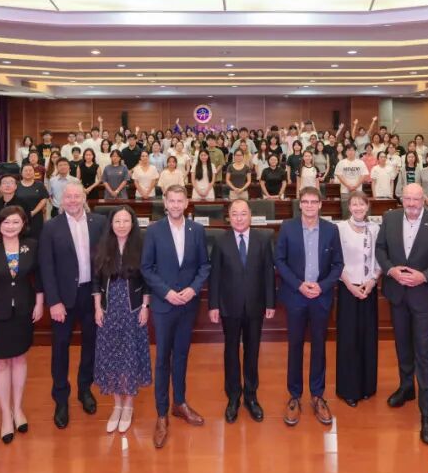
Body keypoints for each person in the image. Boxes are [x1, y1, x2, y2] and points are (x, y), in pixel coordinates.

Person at [375, 183, 428, 445]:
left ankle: (427, 411)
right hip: (397, 294)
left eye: (416, 199)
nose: (411, 204)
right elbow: (380, 249)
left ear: (424, 200)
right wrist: (390, 270)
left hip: (424, 296)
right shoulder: (389, 218)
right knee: (402, 345)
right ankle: (406, 387)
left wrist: (424, 276)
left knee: (424, 352)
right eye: (407, 199)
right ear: (402, 199)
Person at [141, 185, 211, 449]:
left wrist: (193, 289)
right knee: (162, 359)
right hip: (164, 304)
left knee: (181, 355)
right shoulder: (154, 231)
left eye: (180, 200)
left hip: (188, 305)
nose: (175, 205)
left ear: (187, 202)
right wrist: (167, 292)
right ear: (165, 202)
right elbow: (147, 268)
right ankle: (161, 414)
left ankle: (179, 403)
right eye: (171, 201)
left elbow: (204, 265)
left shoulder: (197, 230)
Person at [275, 186, 344, 427]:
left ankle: (317, 395)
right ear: (300, 204)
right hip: (296, 296)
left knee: (319, 346)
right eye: (305, 202)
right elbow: (279, 261)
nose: (310, 206)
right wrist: (298, 285)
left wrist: (322, 287)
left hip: (321, 297)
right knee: (295, 345)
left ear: (321, 205)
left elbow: (338, 264)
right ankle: (294, 395)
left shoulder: (331, 230)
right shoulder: (287, 227)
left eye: (314, 202)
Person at [39, 183, 107, 429]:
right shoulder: (51, 227)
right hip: (63, 298)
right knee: (60, 348)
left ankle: (84, 389)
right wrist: (54, 301)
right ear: (61, 199)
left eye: (77, 196)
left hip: (92, 294)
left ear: (84, 197)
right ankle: (61, 398)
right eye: (68, 197)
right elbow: (46, 267)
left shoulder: (99, 222)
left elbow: (105, 259)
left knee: (91, 344)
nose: (73, 200)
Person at [0, 206, 43, 443]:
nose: (11, 226)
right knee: (1, 364)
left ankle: (18, 408)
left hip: (24, 310)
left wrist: (39, 303)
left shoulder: (32, 246)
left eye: (16, 222)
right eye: (6, 222)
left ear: (23, 224)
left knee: (20, 360)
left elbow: (39, 278)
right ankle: (6, 414)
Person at [209, 199, 276, 423]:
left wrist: (270, 302)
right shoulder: (221, 241)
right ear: (229, 217)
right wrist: (213, 305)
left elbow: (268, 273)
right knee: (230, 351)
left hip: (256, 306)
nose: (239, 218)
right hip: (229, 306)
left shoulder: (262, 239)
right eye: (234, 214)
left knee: (252, 350)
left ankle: (251, 395)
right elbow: (215, 275)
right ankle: (233, 396)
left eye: (243, 213)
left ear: (250, 215)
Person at [92, 205, 152, 434]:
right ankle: (117, 405)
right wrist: (97, 308)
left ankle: (128, 406)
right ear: (111, 223)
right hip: (109, 310)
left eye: (126, 221)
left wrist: (145, 307)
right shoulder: (103, 245)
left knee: (129, 356)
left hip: (132, 309)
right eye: (117, 221)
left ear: (133, 223)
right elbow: (96, 280)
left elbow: (147, 281)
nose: (122, 225)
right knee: (112, 356)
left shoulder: (141, 246)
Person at [335, 192, 381, 407]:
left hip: (369, 288)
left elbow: (380, 259)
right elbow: (336, 260)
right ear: (349, 206)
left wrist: (372, 281)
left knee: (368, 338)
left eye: (362, 204)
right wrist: (350, 286)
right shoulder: (340, 228)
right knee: (349, 339)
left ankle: (367, 386)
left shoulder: (375, 229)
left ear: (367, 206)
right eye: (354, 204)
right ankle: (349, 389)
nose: (358, 208)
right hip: (348, 288)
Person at [16, 163, 50, 238]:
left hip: (36, 217)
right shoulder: (16, 185)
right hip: (20, 217)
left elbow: (44, 199)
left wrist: (34, 212)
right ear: (21, 173)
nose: (28, 172)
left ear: (34, 172)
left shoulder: (39, 184)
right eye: (26, 170)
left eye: (30, 170)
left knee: (36, 238)